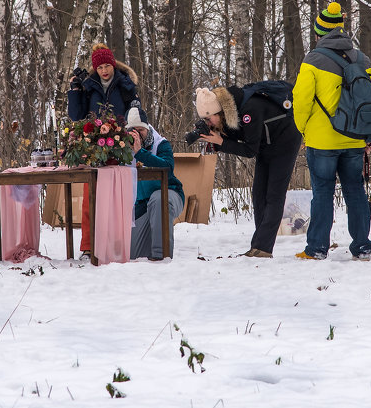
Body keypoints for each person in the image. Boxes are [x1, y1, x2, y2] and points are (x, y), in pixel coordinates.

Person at [292, 2, 371, 260]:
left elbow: (301, 100)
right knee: (355, 191)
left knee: (323, 194)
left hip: (322, 141)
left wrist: (304, 130)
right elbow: (370, 100)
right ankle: (362, 247)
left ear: (320, 33)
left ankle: (317, 248)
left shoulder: (312, 61)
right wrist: (367, 137)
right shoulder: (363, 59)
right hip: (353, 139)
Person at [189, 81, 302, 257]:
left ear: (218, 112)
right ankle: (258, 245)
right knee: (258, 194)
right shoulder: (227, 115)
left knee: (274, 195)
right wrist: (218, 139)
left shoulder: (249, 110)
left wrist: (220, 142)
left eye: (208, 119)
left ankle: (263, 248)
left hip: (285, 141)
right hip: (266, 144)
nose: (208, 123)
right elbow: (241, 138)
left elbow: (250, 150)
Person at [67, 43, 144, 257]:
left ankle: (117, 244)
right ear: (95, 69)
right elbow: (76, 116)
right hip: (94, 147)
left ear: (113, 64)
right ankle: (88, 246)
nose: (104, 71)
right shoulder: (88, 85)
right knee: (90, 197)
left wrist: (138, 134)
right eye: (100, 67)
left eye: (107, 66)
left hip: (120, 146)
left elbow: (136, 112)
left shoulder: (125, 84)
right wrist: (75, 91)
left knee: (119, 198)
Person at [125, 108, 184, 261]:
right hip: (142, 204)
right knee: (132, 255)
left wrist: (140, 153)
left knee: (158, 200)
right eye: (133, 130)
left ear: (148, 127)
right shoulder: (122, 148)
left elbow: (168, 167)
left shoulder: (161, 144)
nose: (137, 133)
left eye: (141, 129)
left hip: (169, 194)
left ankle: (161, 256)